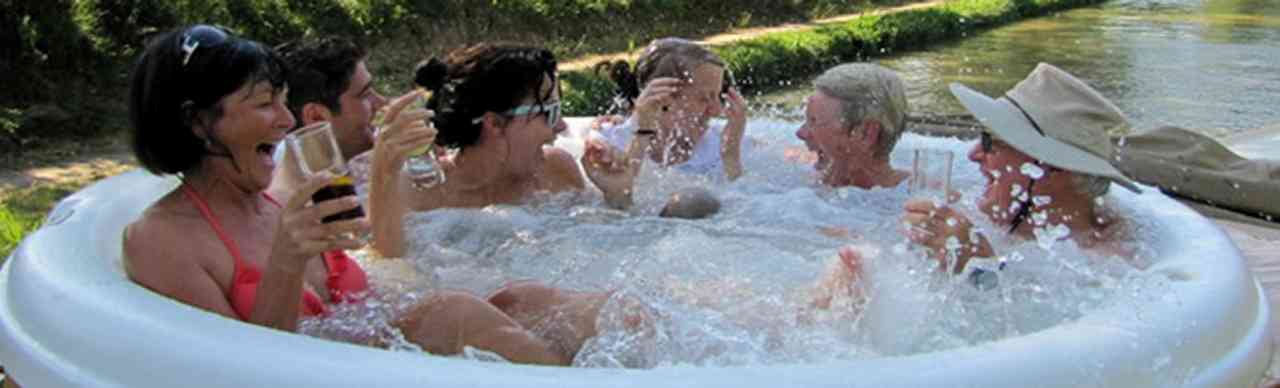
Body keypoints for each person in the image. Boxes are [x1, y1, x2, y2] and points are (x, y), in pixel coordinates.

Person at [121, 25, 593, 365]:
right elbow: (240, 371)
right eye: (265, 104)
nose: (287, 122)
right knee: (457, 314)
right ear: (198, 122)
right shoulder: (162, 240)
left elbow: (383, 268)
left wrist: (387, 169)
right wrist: (286, 261)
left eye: (284, 101)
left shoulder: (279, 202)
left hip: (376, 350)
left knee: (526, 298)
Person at [369, 42, 642, 258]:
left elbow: (612, 250)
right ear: (495, 123)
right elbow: (391, 276)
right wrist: (382, 175)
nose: (559, 126)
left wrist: (617, 196)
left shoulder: (556, 171)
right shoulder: (418, 193)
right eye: (549, 112)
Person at [899, 63, 1143, 275]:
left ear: (1053, 168)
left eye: (990, 143)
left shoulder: (1108, 265)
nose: (973, 154)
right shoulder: (983, 214)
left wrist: (981, 270)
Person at [594, 37, 749, 181]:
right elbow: (621, 196)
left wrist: (731, 156)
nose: (717, 111)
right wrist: (642, 134)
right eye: (704, 98)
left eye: (718, 96)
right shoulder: (610, 144)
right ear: (660, 98)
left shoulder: (723, 144)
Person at [791, 63, 910, 189]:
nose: (801, 133)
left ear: (866, 133)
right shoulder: (804, 184)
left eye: (814, 121)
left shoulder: (917, 197)